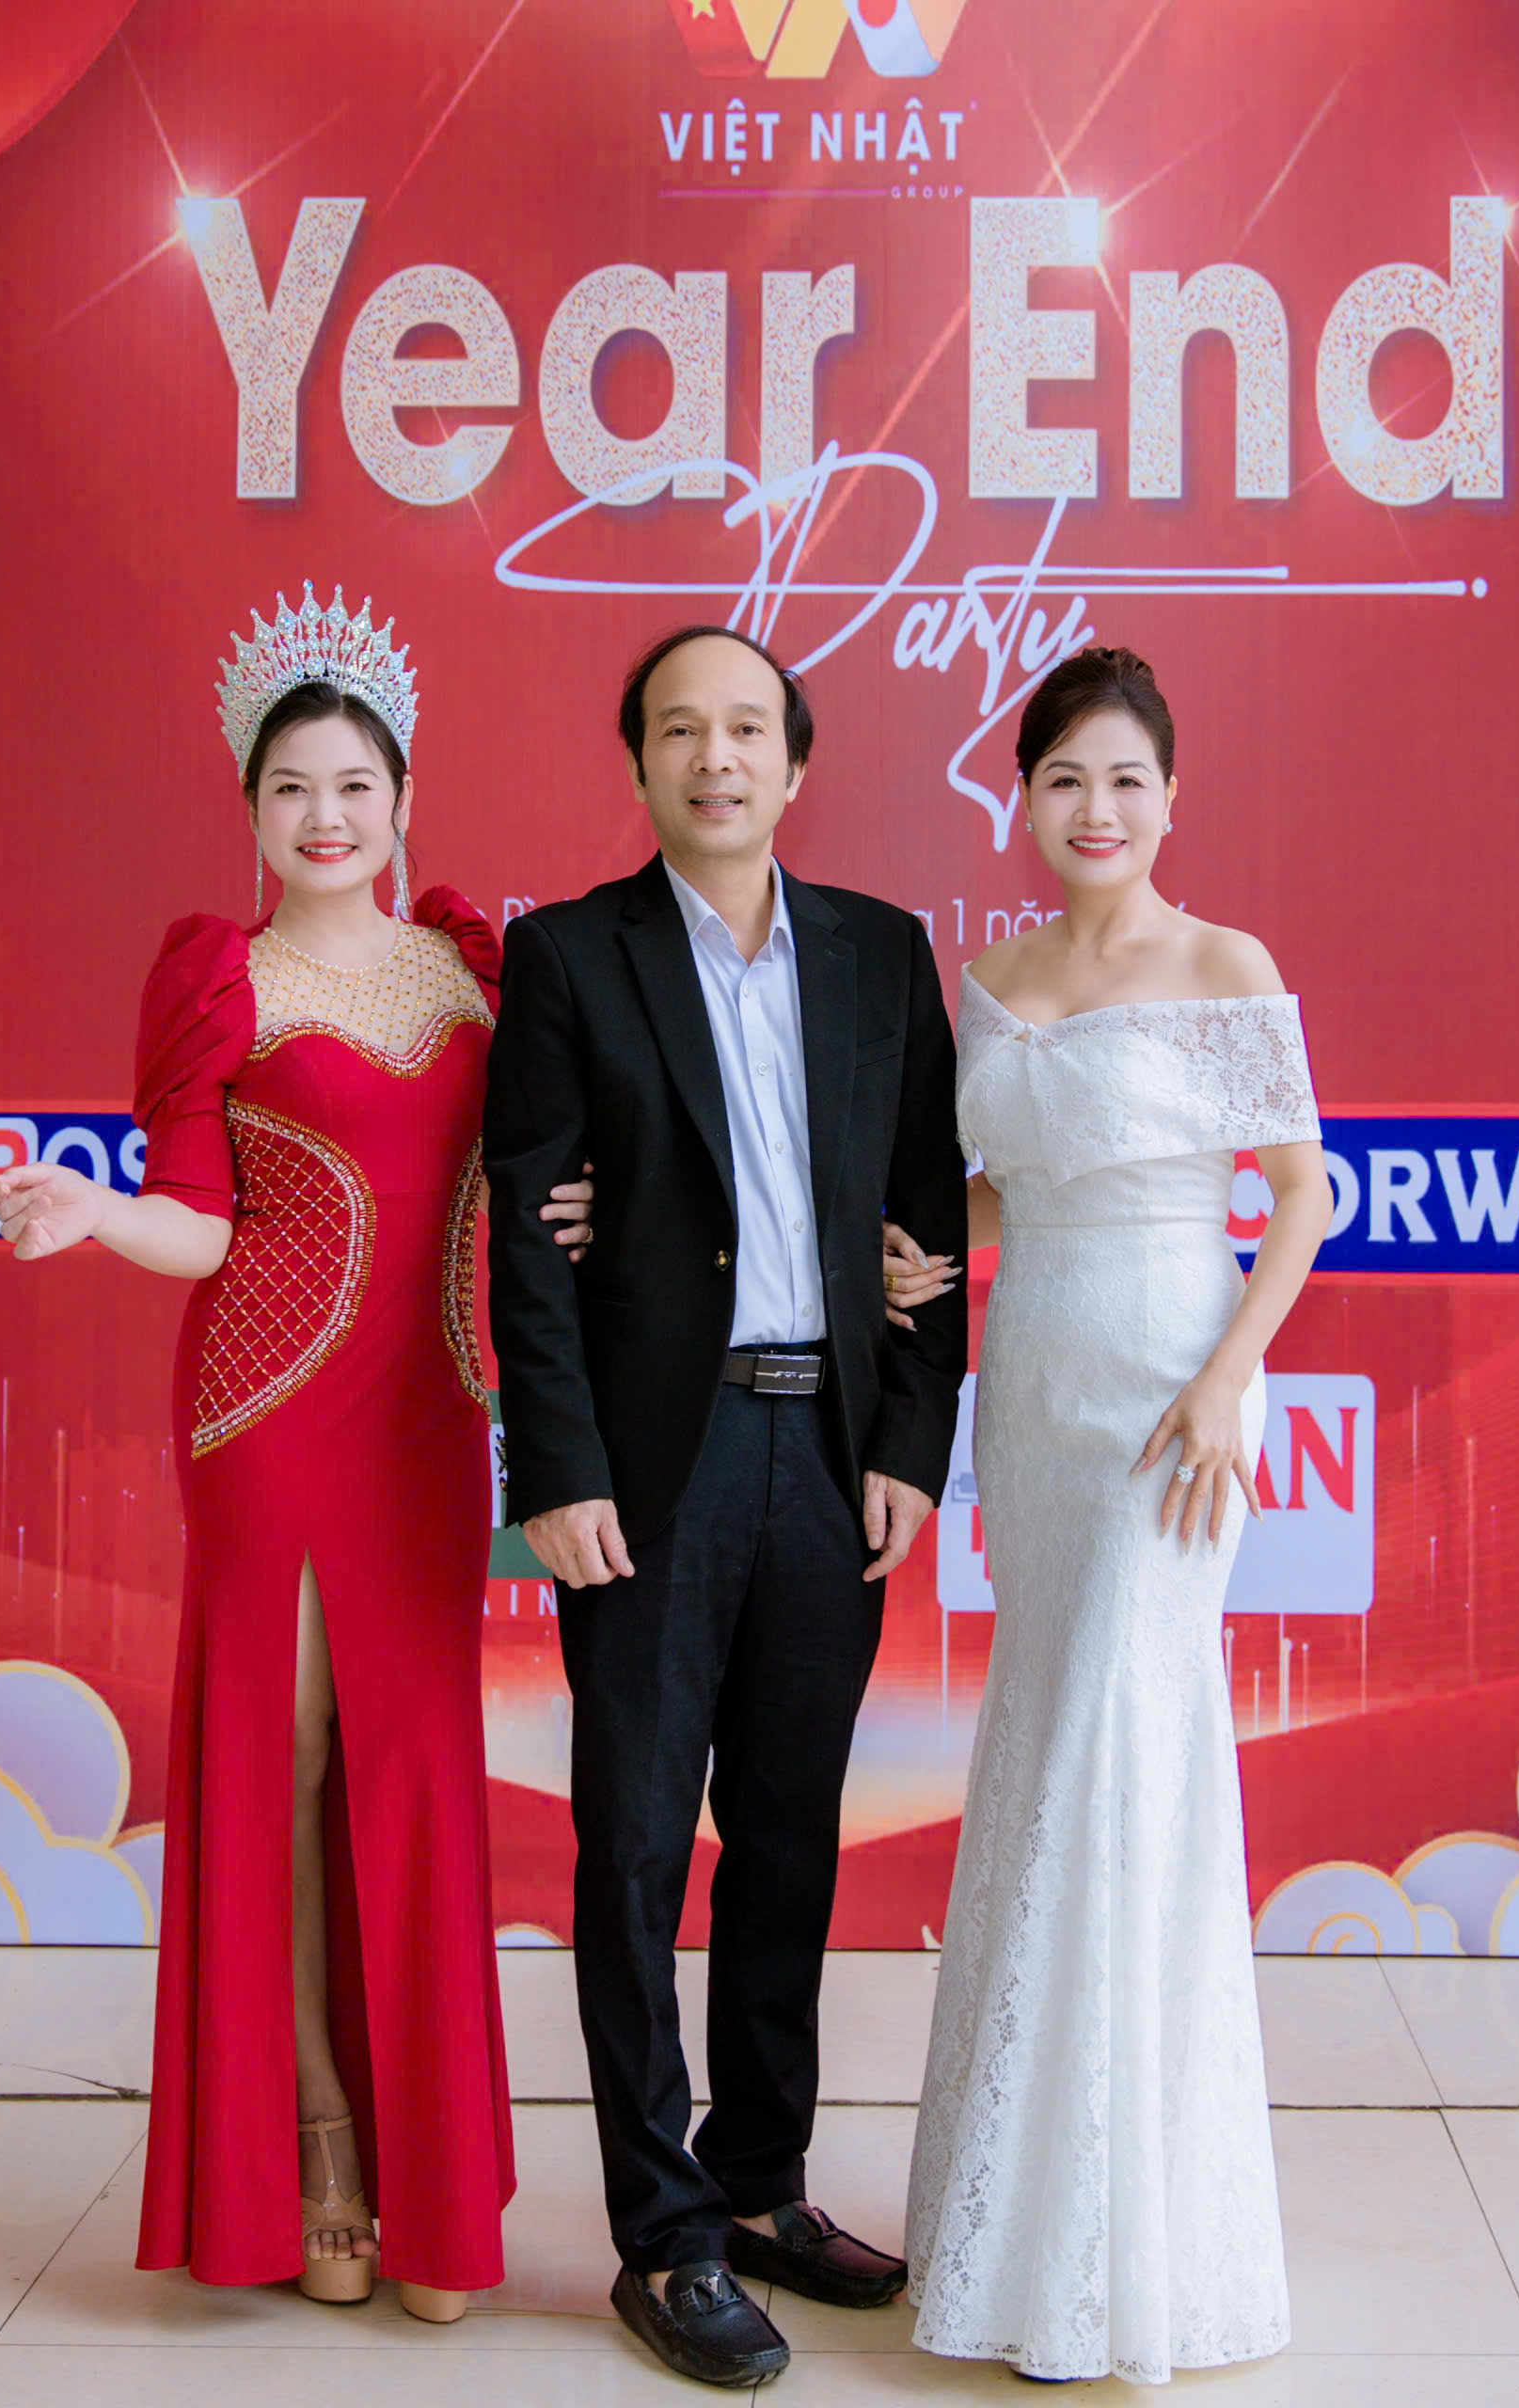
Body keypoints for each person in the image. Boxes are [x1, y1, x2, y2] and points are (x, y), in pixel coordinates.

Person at [0, 586, 591, 2319]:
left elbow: (534, 1179)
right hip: (263, 1418)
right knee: (293, 1760)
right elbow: (197, 1221)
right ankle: (321, 2144)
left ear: (403, 797)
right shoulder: (221, 981)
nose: (326, 816)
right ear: (250, 807)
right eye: (291, 789)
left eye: (353, 785)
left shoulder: (476, 971)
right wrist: (94, 1209)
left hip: (428, 1424)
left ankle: (433, 2191)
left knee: (415, 1768)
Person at [483, 625, 969, 2387]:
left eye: (747, 728)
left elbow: (928, 1226)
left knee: (788, 1836)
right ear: (639, 765)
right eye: (680, 731)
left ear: (795, 761)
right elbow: (526, 1234)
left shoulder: (880, 955)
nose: (716, 758)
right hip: (651, 1469)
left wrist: (909, 1446)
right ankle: (666, 2235)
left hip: (826, 1454)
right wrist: (558, 1471)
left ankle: (763, 2183)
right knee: (631, 1849)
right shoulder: (568, 957)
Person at [885, 646, 1333, 2384]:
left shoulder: (1227, 965)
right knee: (1045, 1742)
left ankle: (1119, 2247)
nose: (1097, 808)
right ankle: (1019, 2221)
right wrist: (934, 1249)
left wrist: (1229, 1376)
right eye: (1065, 777)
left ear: (1171, 796)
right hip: (1040, 1391)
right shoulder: (991, 981)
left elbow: (1299, 1193)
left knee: (1119, 1752)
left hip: (1173, 1391)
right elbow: (1011, 1184)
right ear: (1024, 798)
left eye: (1126, 779)